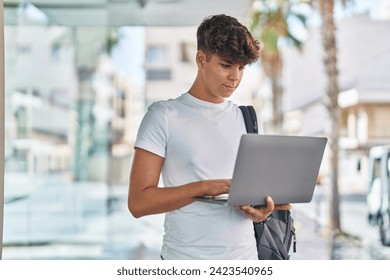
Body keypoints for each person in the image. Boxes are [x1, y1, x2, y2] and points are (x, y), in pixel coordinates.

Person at [128, 14, 291, 260]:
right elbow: (139, 203)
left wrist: (262, 212)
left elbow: (258, 195)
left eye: (241, 68)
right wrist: (205, 187)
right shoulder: (163, 115)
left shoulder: (247, 117)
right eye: (226, 65)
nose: (235, 77)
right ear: (201, 59)